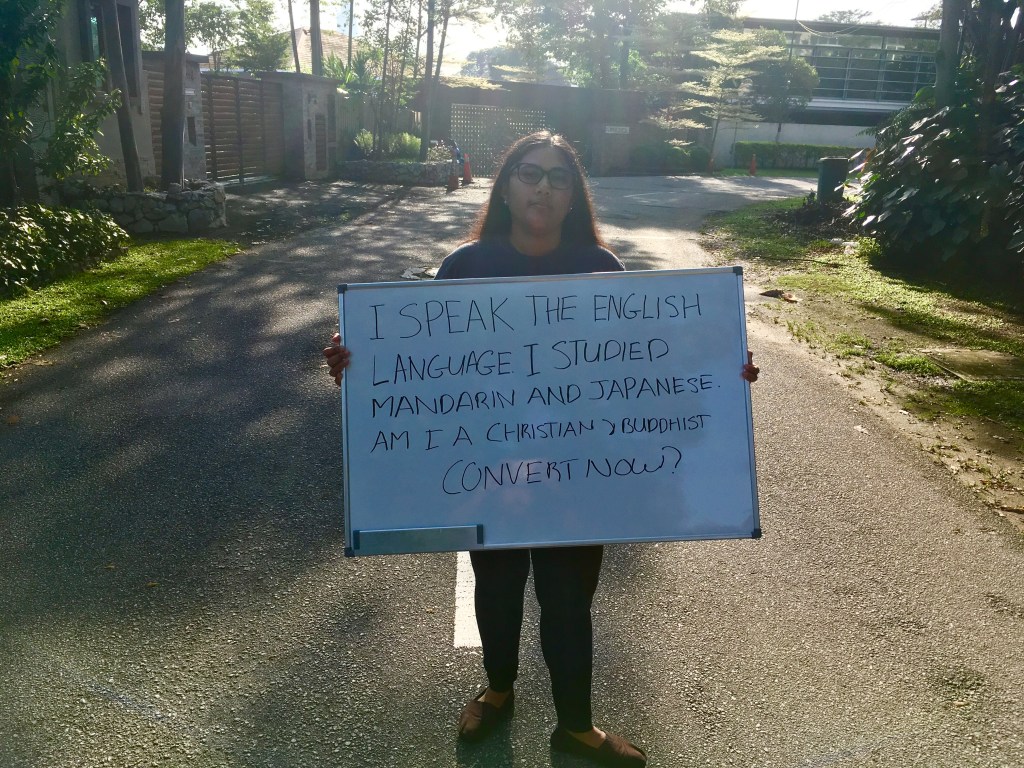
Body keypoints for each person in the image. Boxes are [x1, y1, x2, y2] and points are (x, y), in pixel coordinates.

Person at [324, 131, 760, 768]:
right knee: (496, 588)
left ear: (573, 195)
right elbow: (419, 361)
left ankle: (576, 726)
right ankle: (498, 689)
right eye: (529, 174)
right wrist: (356, 363)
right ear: (505, 187)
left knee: (568, 599)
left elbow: (647, 364)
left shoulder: (600, 268)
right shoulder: (464, 266)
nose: (543, 188)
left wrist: (725, 373)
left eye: (558, 178)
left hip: (579, 474)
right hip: (488, 469)